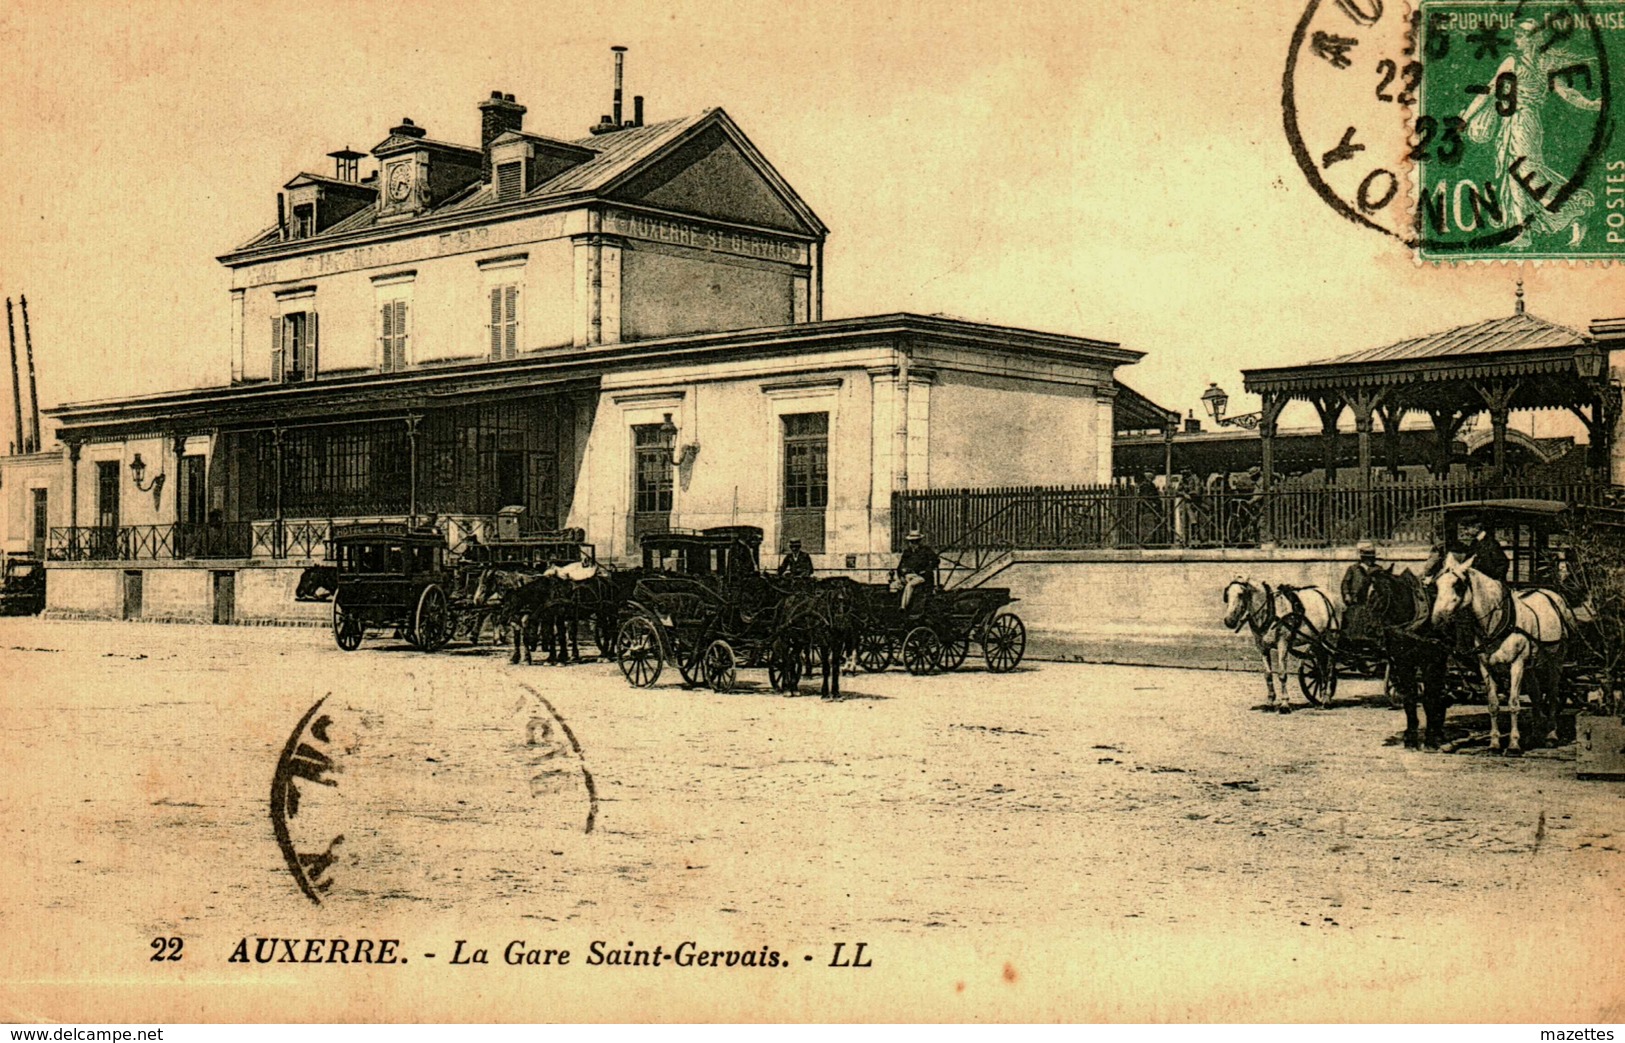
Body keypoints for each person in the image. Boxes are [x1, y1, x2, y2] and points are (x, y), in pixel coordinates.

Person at [896, 530, 939, 610]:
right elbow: (900, 566)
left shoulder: (926, 551)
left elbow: (935, 561)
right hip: (910, 575)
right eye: (911, 542)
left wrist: (926, 571)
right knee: (896, 586)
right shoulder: (907, 552)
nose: (913, 544)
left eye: (916, 542)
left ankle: (903, 607)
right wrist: (901, 576)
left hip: (922, 576)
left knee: (910, 585)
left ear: (919, 542)